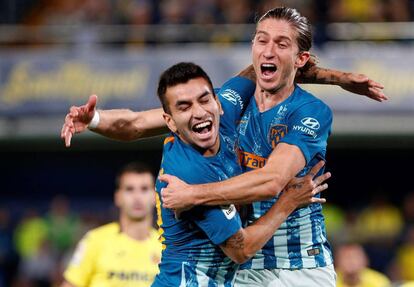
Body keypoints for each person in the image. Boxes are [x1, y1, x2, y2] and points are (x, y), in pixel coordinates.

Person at [159, 7, 386, 287]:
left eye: (281, 44)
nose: (268, 51)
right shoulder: (229, 102)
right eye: (261, 40)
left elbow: (272, 180)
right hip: (242, 266)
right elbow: (144, 122)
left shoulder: (310, 112)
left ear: (300, 58)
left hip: (300, 267)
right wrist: (95, 119)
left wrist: (193, 194)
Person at [150, 62, 330, 286]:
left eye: (205, 100)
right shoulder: (190, 174)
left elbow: (263, 69)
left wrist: (338, 78)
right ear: (170, 122)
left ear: (219, 102)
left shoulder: (222, 124)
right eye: (184, 107)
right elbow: (241, 249)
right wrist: (289, 201)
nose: (198, 112)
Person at [61, 162, 162, 287]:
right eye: (129, 189)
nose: (137, 197)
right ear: (118, 197)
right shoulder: (95, 240)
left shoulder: (165, 248)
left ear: (155, 196)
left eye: (144, 189)